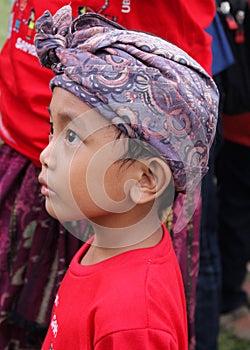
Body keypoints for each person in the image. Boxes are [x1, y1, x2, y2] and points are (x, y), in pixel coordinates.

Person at [0, 1, 216, 348]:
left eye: (72, 137)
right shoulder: (102, 248)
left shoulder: (133, 322)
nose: (45, 155)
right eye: (51, 129)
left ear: (145, 179)